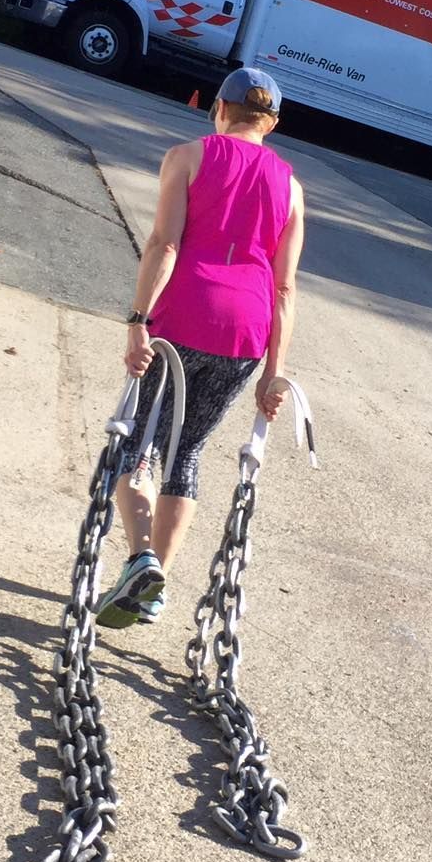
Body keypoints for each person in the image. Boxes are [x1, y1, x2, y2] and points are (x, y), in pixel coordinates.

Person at [95, 66, 306, 630]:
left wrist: (139, 320)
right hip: (245, 332)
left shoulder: (188, 157)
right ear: (273, 123)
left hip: (184, 316)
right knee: (186, 450)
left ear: (219, 109)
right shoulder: (290, 186)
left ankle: (141, 557)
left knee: (137, 443)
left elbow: (164, 242)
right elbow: (286, 286)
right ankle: (153, 583)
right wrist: (273, 374)